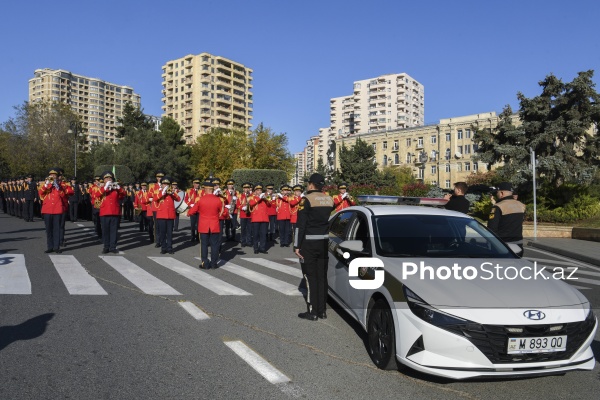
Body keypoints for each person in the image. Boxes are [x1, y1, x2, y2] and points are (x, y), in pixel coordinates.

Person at [294, 173, 334, 321]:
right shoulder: (329, 199)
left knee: (310, 278)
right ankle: (322, 310)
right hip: (323, 242)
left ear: (311, 185)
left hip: (309, 244)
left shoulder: (306, 200)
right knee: (322, 277)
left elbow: (300, 225)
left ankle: (313, 311)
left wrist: (297, 245)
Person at [188, 180, 223, 269]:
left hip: (203, 225)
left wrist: (189, 212)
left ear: (206, 190)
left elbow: (192, 211)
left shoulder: (200, 200)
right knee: (214, 245)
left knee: (204, 245)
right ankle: (214, 263)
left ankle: (205, 263)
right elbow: (224, 212)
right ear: (212, 190)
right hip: (214, 225)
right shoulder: (218, 200)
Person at [487, 182, 526, 252]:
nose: (496, 194)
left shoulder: (497, 207)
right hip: (518, 244)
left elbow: (492, 229)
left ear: (502, 193)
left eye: (497, 192)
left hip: (502, 245)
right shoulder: (521, 205)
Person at [39, 168, 67, 253]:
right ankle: (50, 247)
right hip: (47, 209)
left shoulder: (60, 186)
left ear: (57, 177)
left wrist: (57, 187)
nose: (53, 177)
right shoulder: (45, 184)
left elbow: (63, 195)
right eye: (51, 175)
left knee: (56, 229)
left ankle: (56, 247)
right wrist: (47, 185)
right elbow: (41, 193)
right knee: (49, 229)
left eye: (54, 176)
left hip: (57, 209)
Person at [98, 171, 126, 254]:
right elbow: (96, 195)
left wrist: (118, 188)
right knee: (105, 231)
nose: (108, 180)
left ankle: (113, 247)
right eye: (106, 178)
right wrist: (105, 187)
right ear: (104, 180)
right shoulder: (101, 188)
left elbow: (123, 194)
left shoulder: (116, 188)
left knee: (114, 230)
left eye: (110, 178)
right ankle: (106, 246)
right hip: (105, 212)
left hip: (115, 212)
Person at [155, 176, 180, 254]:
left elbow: (178, 199)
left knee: (169, 233)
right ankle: (163, 248)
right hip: (161, 215)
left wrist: (173, 193)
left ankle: (169, 248)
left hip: (170, 215)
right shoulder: (158, 191)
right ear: (161, 185)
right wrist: (163, 193)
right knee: (162, 233)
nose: (165, 185)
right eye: (164, 184)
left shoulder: (171, 191)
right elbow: (155, 199)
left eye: (167, 184)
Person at [248, 183, 271, 254]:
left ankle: (262, 248)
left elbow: (269, 205)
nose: (260, 191)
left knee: (263, 234)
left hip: (264, 218)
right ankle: (256, 248)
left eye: (260, 190)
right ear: (255, 191)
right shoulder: (251, 197)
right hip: (256, 218)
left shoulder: (264, 197)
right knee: (255, 234)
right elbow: (251, 204)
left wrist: (266, 198)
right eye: (258, 190)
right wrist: (259, 198)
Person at [184, 178, 203, 242]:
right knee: (192, 224)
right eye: (196, 183)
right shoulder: (189, 190)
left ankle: (198, 237)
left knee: (199, 224)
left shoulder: (201, 191)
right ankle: (192, 236)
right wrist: (190, 204)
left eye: (198, 183)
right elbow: (186, 199)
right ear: (193, 184)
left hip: (199, 210)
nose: (197, 185)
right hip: (192, 209)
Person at [238, 182, 253, 247]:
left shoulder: (252, 196)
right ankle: (243, 241)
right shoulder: (240, 196)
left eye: (247, 188)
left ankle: (249, 241)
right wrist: (242, 207)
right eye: (245, 188)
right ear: (243, 189)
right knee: (243, 229)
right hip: (243, 214)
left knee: (249, 229)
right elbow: (237, 205)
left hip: (250, 214)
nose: (246, 189)